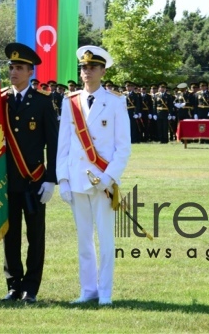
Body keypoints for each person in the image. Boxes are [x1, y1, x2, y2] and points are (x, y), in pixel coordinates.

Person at [56, 45, 131, 306]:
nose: (87, 72)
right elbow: (63, 144)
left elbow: (123, 147)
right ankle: (88, 290)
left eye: (92, 67)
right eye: (84, 67)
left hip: (104, 182)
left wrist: (109, 178)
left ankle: (106, 293)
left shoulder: (116, 101)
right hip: (77, 178)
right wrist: (63, 179)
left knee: (106, 240)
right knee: (84, 240)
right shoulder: (70, 101)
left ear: (102, 70)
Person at [0, 43, 58, 304]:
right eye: (11, 67)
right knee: (9, 235)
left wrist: (50, 179)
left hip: (34, 179)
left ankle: (30, 288)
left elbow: (53, 143)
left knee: (35, 236)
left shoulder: (43, 102)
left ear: (30, 72)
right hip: (6, 181)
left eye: (19, 68)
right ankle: (13, 285)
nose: (13, 71)